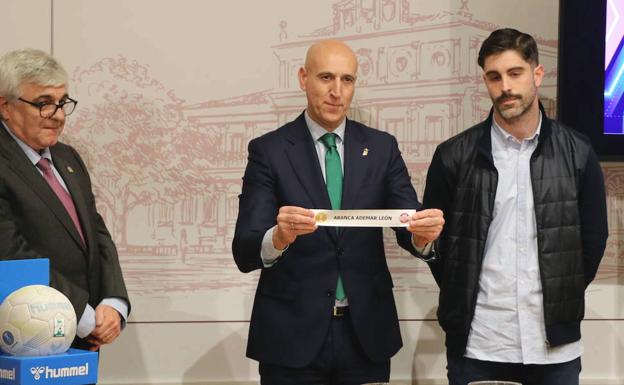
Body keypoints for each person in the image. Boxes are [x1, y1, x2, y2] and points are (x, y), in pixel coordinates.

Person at [232, 39, 444, 384]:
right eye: (326, 77)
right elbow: (245, 249)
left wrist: (423, 237)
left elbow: (410, 224)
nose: (336, 91)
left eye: (347, 80)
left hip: (365, 336)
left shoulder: (381, 147)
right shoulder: (268, 151)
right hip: (291, 337)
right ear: (303, 78)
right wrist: (280, 238)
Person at [422, 28, 608, 385]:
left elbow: (593, 242)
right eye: (494, 77)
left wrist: (560, 295)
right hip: (478, 346)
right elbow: (437, 244)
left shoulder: (579, 153)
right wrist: (461, 292)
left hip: (554, 349)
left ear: (537, 74)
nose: (504, 86)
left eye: (515, 73)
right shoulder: (453, 156)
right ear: (485, 82)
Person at [0, 48, 130, 351]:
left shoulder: (67, 156)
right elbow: (9, 252)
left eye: (62, 103)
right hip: (24, 342)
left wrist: (113, 301)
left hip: (82, 339)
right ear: (5, 106)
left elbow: (96, 233)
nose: (57, 116)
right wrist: (81, 315)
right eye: (43, 104)